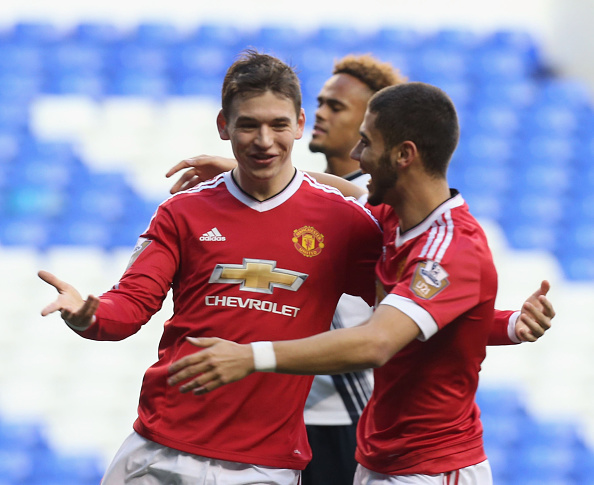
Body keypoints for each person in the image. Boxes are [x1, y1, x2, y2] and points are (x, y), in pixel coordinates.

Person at [165, 55, 555, 485]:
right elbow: (346, 191)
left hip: (431, 469)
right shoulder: (395, 218)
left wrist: (251, 356)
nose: (355, 153)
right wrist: (247, 172)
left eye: (366, 143)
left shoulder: (448, 250)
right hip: (382, 458)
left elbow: (377, 342)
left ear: (404, 155)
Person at [38, 50, 384, 485]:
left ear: (299, 123)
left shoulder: (343, 222)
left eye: (278, 125)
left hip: (264, 465)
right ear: (224, 126)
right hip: (159, 450)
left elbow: (400, 303)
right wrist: (89, 316)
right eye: (248, 124)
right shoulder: (182, 212)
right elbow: (128, 307)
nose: (263, 140)